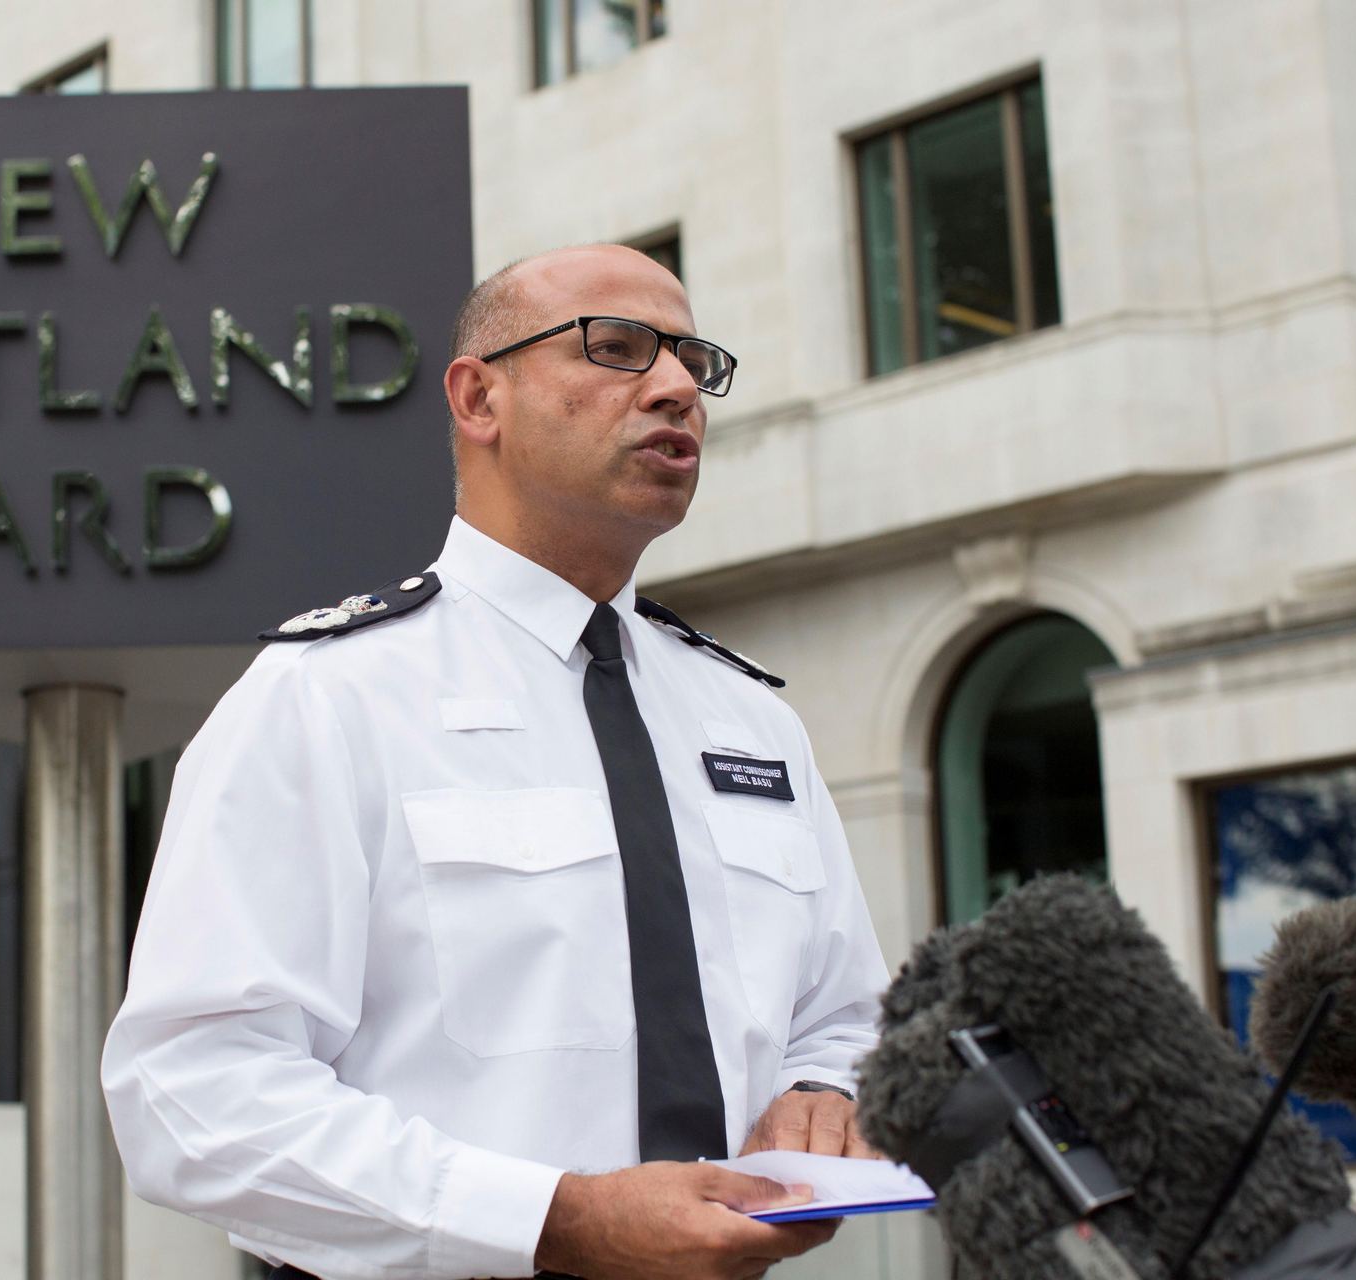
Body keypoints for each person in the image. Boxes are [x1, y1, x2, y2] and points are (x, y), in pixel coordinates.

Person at [102, 244, 890, 1280]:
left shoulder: (752, 721)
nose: (677, 386)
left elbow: (848, 1017)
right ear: (480, 398)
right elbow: (192, 1093)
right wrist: (553, 1219)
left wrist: (826, 1092)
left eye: (694, 360)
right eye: (618, 347)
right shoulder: (327, 699)